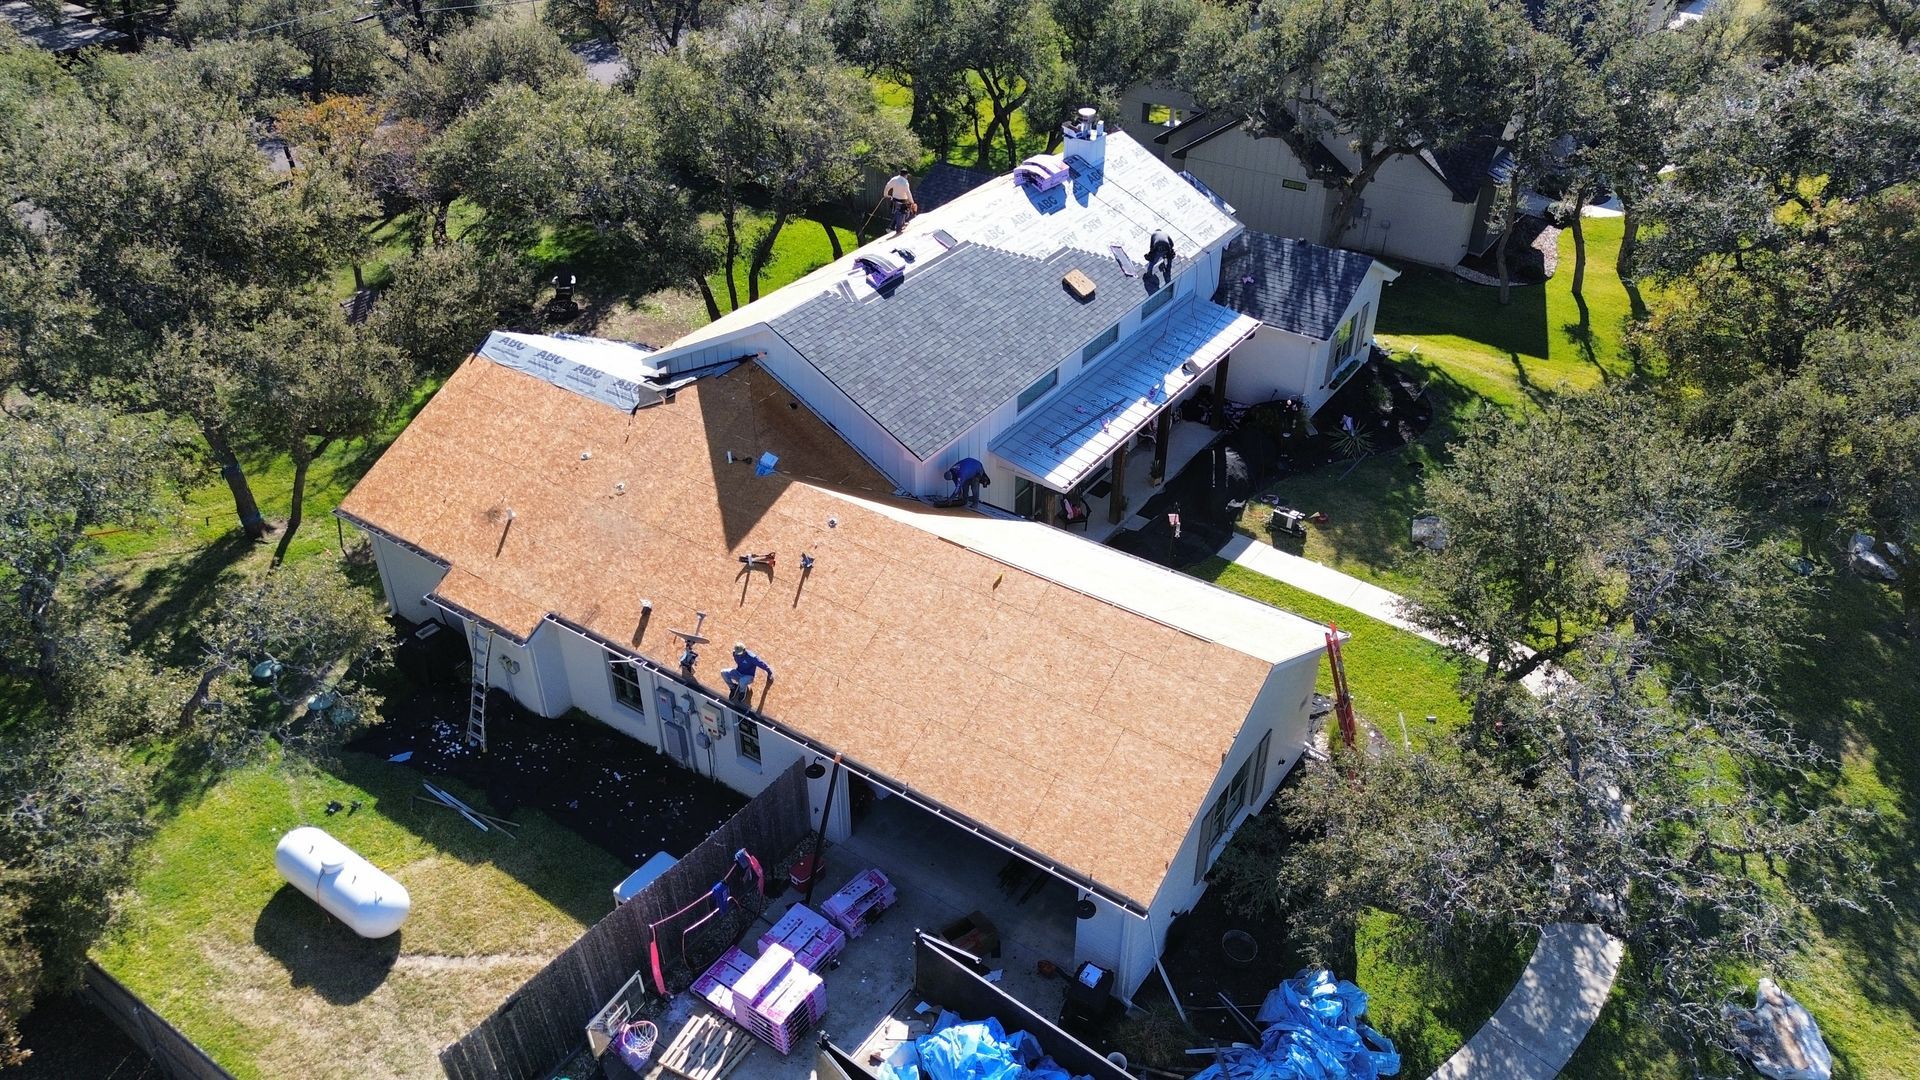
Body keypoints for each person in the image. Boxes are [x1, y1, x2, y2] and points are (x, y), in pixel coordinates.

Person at [884, 170, 915, 235]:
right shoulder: (905, 182)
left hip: (895, 200)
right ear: (906, 175)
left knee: (897, 213)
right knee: (903, 214)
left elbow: (887, 186)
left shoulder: (894, 179)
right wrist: (912, 202)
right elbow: (908, 193)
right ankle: (898, 229)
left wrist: (886, 194)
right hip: (903, 201)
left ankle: (891, 227)